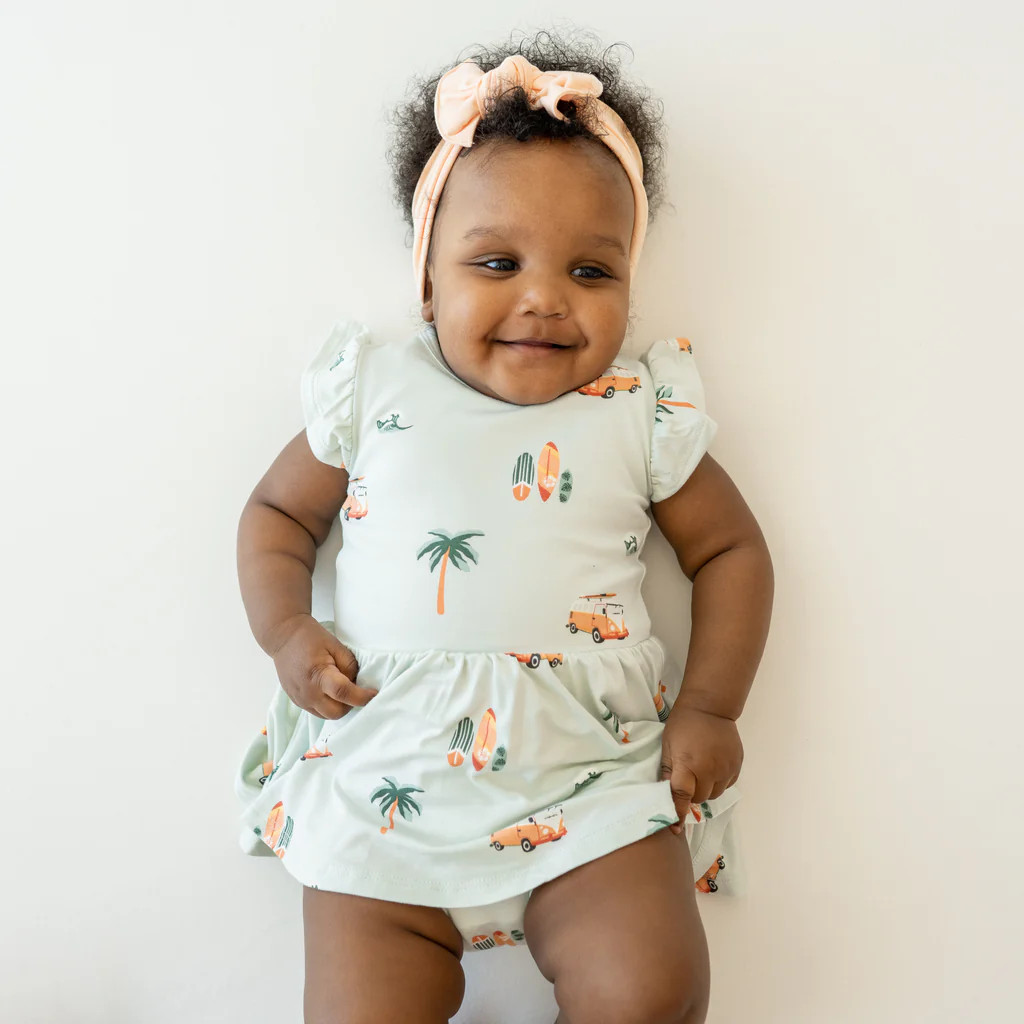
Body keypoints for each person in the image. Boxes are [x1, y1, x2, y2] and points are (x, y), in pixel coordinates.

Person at [234, 29, 774, 1024]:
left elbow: (731, 551)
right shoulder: (373, 390)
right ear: (427, 279)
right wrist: (286, 630)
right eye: (496, 261)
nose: (545, 299)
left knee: (650, 990)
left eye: (592, 273)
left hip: (591, 780)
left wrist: (712, 706)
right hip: (386, 772)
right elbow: (275, 515)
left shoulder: (637, 410)